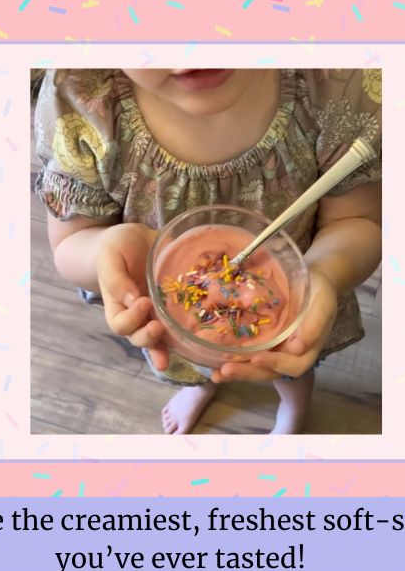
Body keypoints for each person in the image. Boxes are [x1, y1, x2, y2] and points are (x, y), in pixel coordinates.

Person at [33, 67, 382, 434]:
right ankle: (203, 384)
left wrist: (323, 273)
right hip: (170, 321)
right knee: (197, 362)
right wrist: (107, 248)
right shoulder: (80, 99)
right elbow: (71, 241)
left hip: (300, 301)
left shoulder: (337, 83)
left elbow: (357, 221)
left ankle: (294, 407)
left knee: (293, 366)